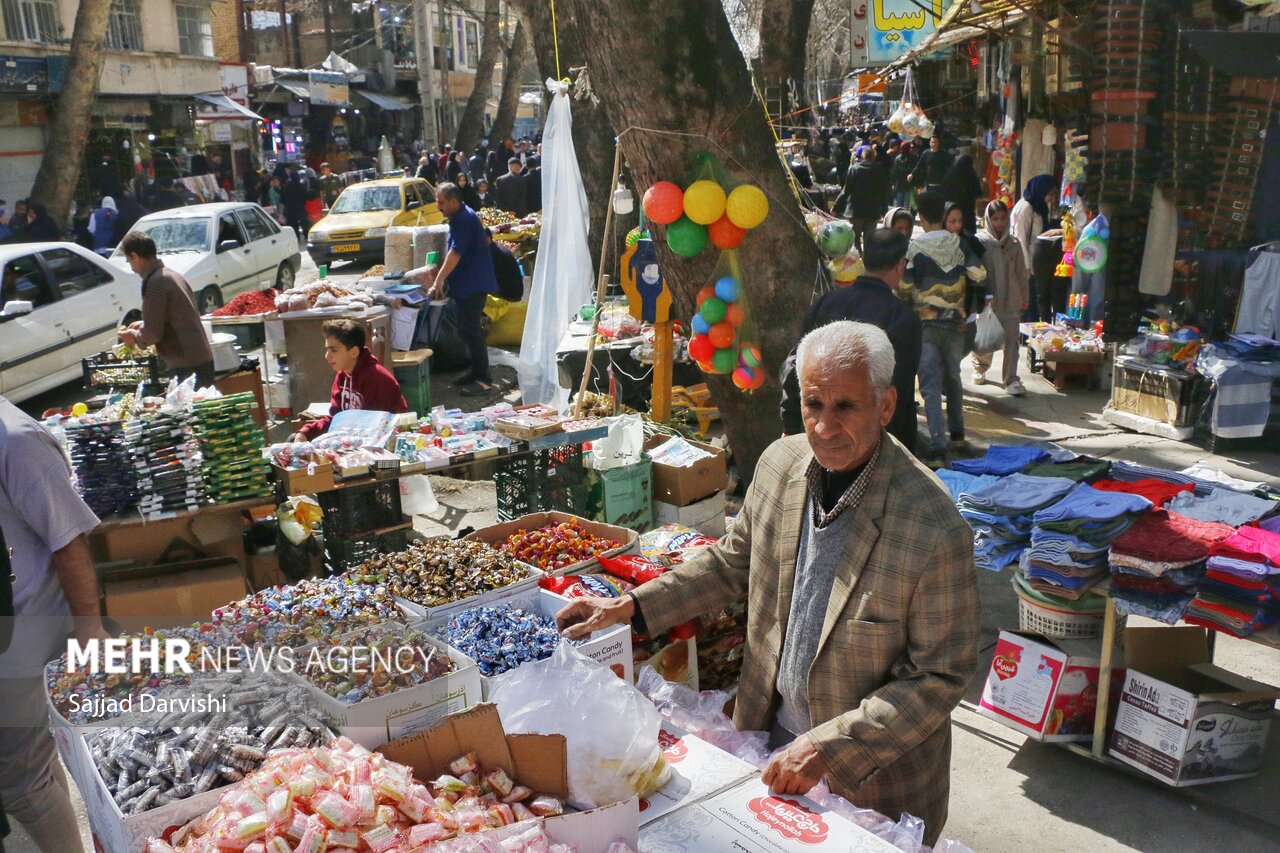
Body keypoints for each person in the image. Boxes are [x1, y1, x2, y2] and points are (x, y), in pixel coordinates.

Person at [558, 321, 979, 846]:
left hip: (873, 778)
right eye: (812, 404)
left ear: (886, 405)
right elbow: (731, 563)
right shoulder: (780, 464)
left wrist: (831, 747)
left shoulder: (933, 527)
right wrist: (631, 608)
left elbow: (939, 677)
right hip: (770, 737)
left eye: (844, 406)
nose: (824, 427)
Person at [0, 395, 107, 853]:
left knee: (18, 782)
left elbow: (68, 542)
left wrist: (90, 632)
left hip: (24, 643)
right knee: (35, 769)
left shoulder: (17, 442)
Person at [780, 228, 921, 451]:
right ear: (900, 265)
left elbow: (795, 369)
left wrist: (790, 422)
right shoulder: (902, 317)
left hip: (819, 434)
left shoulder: (826, 303)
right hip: (871, 442)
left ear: (864, 259)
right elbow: (898, 390)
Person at [904, 191, 985, 463]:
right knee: (953, 378)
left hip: (925, 324)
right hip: (955, 322)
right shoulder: (959, 244)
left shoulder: (914, 248)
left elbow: (904, 286)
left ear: (921, 217)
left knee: (929, 385)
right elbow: (979, 273)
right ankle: (958, 437)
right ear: (943, 214)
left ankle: (938, 447)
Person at [426, 182, 499, 396]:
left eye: (441, 202)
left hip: (473, 284)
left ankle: (484, 380)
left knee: (471, 330)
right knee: (465, 328)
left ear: (454, 201)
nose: (438, 206)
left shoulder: (465, 219)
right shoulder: (458, 218)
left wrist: (439, 280)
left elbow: (455, 253)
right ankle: (476, 371)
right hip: (465, 283)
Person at [117, 231, 215, 386]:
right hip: (199, 358)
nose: (132, 269)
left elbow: (153, 334)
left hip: (187, 365)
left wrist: (133, 336)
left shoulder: (157, 282)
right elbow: (174, 317)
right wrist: (143, 325)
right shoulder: (172, 275)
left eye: (129, 261)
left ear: (135, 256)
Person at [293, 319, 406, 440]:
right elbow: (335, 418)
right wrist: (305, 432)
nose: (327, 356)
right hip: (351, 436)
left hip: (383, 441)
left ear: (354, 352)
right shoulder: (342, 376)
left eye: (334, 350)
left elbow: (372, 428)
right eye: (327, 349)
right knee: (296, 438)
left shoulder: (377, 379)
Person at [974, 199, 1030, 395]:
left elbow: (1022, 272)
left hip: (1011, 298)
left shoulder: (1014, 243)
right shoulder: (980, 242)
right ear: (988, 219)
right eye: (995, 219)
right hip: (990, 300)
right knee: (986, 339)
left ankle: (1011, 379)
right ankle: (980, 367)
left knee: (1012, 340)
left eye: (1003, 218)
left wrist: (1024, 295)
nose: (999, 223)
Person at [833, 145, 890, 254]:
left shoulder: (854, 169)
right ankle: (868, 261)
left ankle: (858, 260)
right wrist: (884, 210)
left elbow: (846, 190)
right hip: (873, 210)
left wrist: (836, 206)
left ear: (862, 157)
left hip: (855, 210)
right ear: (874, 157)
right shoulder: (880, 170)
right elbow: (884, 192)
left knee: (854, 238)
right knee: (869, 240)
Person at [940, 154, 983, 235]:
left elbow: (943, 190)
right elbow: (978, 193)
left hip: (952, 209)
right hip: (968, 210)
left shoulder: (950, 174)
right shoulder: (971, 174)